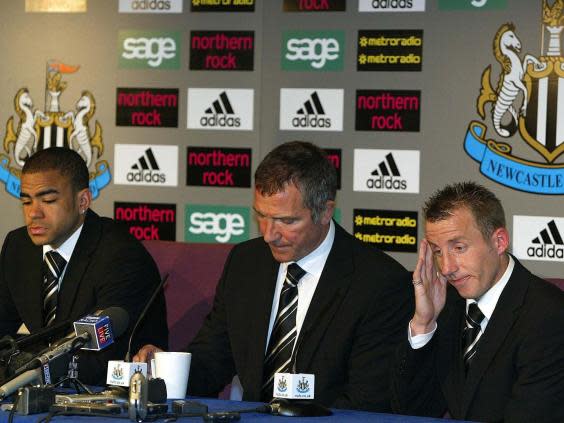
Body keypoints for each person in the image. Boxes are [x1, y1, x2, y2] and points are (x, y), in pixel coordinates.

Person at [135, 141, 413, 411]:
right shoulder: (245, 262)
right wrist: (164, 370)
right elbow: (213, 359)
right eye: (262, 216)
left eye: (287, 221)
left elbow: (367, 402)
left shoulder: (378, 283)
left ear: (325, 212)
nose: (269, 234)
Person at [391, 182, 564, 422]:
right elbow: (412, 412)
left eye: (459, 248)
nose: (447, 268)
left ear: (499, 242)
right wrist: (424, 324)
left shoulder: (549, 317)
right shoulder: (445, 304)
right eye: (437, 252)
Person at [0, 147, 168, 385]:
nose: (33, 213)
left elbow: (104, 359)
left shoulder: (121, 255)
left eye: (48, 200)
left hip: (107, 396)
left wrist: (25, 370)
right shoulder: (18, 247)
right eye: (26, 201)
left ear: (83, 201)